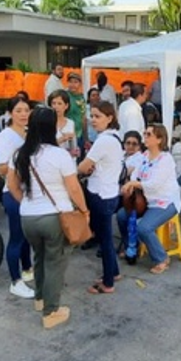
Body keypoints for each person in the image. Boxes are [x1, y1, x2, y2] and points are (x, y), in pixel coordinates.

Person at [6, 108, 88, 329]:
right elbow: (74, 188)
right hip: (54, 217)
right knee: (55, 262)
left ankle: (40, 299)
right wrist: (84, 211)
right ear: (51, 128)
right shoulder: (58, 154)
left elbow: (11, 185)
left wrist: (25, 201)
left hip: (28, 217)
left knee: (40, 258)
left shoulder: (19, 153)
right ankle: (51, 312)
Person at [116, 124, 180, 274]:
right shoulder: (144, 156)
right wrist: (132, 183)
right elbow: (134, 174)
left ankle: (161, 258)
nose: (145, 136)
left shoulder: (166, 159)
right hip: (145, 201)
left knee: (144, 227)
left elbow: (155, 184)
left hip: (164, 202)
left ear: (159, 139)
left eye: (149, 134)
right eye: (145, 133)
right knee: (121, 216)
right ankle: (131, 246)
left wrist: (135, 183)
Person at [78, 102, 125, 294]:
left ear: (109, 118)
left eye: (97, 116)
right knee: (105, 237)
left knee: (104, 240)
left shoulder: (104, 141)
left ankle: (108, 283)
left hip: (101, 194)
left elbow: (83, 167)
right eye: (92, 116)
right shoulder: (113, 138)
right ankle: (113, 272)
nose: (93, 120)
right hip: (108, 191)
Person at [0, 97, 35, 299]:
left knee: (26, 236)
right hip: (12, 192)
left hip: (29, 192)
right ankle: (15, 281)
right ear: (10, 113)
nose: (23, 114)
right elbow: (1, 168)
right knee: (17, 238)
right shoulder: (5, 137)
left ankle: (27, 269)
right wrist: (21, 161)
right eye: (18, 110)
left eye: (26, 110)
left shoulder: (28, 134)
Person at [49, 90, 79, 157]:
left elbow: (74, 145)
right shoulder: (47, 123)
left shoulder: (71, 123)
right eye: (53, 103)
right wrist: (62, 139)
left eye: (59, 103)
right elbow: (45, 146)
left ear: (66, 106)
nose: (56, 107)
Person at [66, 73, 86, 151]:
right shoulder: (65, 96)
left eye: (75, 82)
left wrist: (86, 137)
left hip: (79, 134)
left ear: (80, 84)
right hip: (68, 135)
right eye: (70, 82)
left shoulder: (82, 98)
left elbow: (83, 117)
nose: (72, 84)